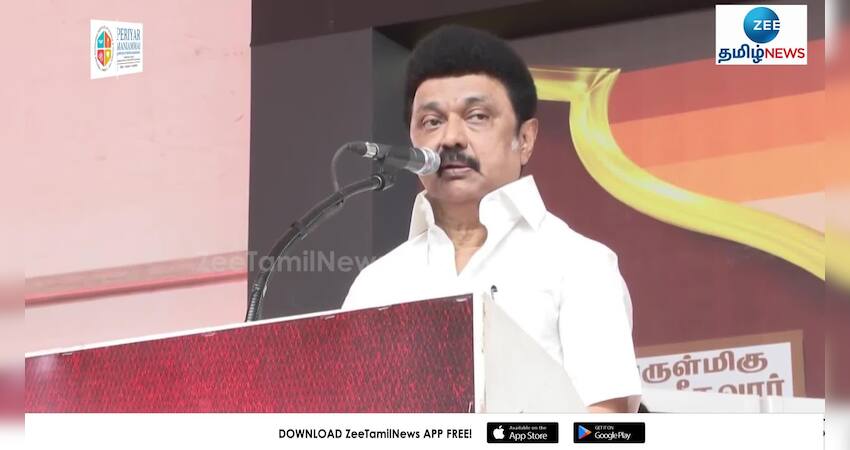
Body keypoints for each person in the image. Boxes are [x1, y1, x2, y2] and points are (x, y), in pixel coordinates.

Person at [342, 25, 641, 413]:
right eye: (431, 122)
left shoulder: (578, 264)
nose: (451, 138)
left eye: (477, 116)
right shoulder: (376, 285)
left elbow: (605, 427)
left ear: (525, 139)